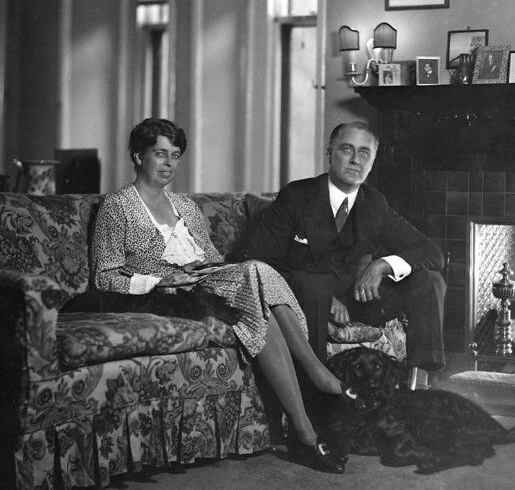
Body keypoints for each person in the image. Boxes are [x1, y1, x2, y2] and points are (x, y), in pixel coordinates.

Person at [92, 118, 366, 474]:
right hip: (165, 293)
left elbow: (212, 259)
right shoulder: (118, 206)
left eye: (175, 156)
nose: (169, 164)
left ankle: (304, 433)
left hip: (204, 283)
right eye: (160, 154)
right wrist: (159, 280)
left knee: (255, 283)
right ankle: (316, 378)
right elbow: (104, 275)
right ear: (137, 155)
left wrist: (199, 269)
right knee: (255, 271)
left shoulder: (186, 207)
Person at [248, 121, 446, 390]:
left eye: (364, 153)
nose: (355, 160)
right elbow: (257, 259)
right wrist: (325, 297)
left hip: (356, 298)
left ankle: (421, 385)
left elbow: (431, 252)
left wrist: (382, 265)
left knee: (429, 281)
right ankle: (315, 393)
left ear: (372, 162)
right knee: (315, 285)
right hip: (303, 299)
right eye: (347, 150)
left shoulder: (374, 204)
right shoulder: (296, 196)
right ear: (330, 154)